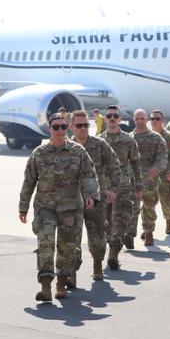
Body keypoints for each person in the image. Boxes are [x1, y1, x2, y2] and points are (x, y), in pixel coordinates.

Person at [18, 112, 100, 302]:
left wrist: (90, 196)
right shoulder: (39, 153)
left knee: (67, 247)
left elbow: (89, 175)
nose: (61, 131)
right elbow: (29, 181)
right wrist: (23, 207)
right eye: (56, 127)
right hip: (45, 207)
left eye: (64, 127)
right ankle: (45, 287)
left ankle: (61, 284)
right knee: (45, 244)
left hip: (70, 207)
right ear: (50, 130)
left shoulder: (78, 151)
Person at [70, 110, 121, 283]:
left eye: (86, 125)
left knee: (97, 235)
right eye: (79, 125)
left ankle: (97, 266)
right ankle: (71, 273)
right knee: (71, 237)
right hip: (72, 200)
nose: (83, 128)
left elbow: (115, 166)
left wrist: (114, 189)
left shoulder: (100, 144)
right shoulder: (66, 146)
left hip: (97, 199)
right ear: (71, 126)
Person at [100, 105, 143, 267]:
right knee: (106, 222)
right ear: (106, 118)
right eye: (109, 115)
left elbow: (136, 163)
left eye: (115, 116)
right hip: (104, 187)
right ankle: (111, 244)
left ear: (119, 119)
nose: (112, 118)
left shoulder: (128, 140)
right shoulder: (99, 140)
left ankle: (113, 253)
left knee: (120, 220)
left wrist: (139, 184)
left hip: (123, 187)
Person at [130, 109, 167, 246]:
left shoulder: (156, 138)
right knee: (132, 207)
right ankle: (130, 233)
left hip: (150, 179)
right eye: (137, 118)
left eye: (142, 118)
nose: (139, 121)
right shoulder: (129, 138)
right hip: (132, 179)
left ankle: (149, 232)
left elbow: (162, 157)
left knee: (149, 207)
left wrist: (157, 168)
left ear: (146, 120)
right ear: (134, 120)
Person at [150, 110, 170, 234]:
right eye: (152, 119)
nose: (154, 121)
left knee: (166, 200)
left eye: (157, 119)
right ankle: (148, 227)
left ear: (162, 121)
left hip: (165, 174)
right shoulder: (146, 135)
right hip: (150, 174)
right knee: (148, 202)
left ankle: (169, 221)